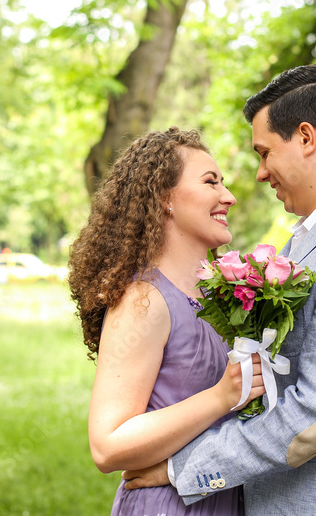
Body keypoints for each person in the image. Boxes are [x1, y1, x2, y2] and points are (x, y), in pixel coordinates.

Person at [124, 64, 316, 514]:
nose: (261, 174)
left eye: (265, 152)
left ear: (306, 138)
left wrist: (182, 468)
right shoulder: (313, 239)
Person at [68, 127, 265, 515]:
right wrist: (221, 397)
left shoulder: (220, 296)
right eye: (211, 182)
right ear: (163, 199)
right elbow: (107, 445)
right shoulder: (143, 298)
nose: (229, 196)